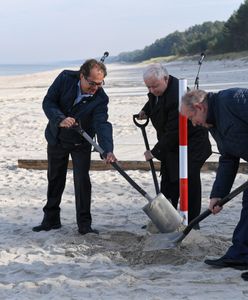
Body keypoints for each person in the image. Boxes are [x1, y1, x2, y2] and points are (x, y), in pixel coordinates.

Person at [33, 59, 116, 235]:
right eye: (91, 83)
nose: (95, 88)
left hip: (81, 142)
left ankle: (84, 225)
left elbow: (102, 124)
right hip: (57, 138)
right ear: (81, 76)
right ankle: (51, 220)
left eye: (99, 84)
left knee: (82, 182)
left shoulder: (101, 98)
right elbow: (48, 102)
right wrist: (60, 118)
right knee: (55, 178)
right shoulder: (64, 78)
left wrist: (107, 149)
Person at [181, 88, 248, 269]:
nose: (193, 124)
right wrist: (218, 195)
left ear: (199, 107)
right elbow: (228, 157)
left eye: (191, 118)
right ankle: (240, 255)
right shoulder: (213, 124)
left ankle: (240, 255)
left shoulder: (233, 100)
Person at [138, 63, 211, 225]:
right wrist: (146, 110)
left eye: (154, 86)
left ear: (166, 78)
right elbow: (154, 99)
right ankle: (166, 220)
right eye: (148, 87)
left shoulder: (178, 95)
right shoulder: (158, 88)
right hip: (172, 144)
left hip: (192, 144)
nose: (151, 90)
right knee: (168, 179)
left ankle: (192, 222)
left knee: (188, 180)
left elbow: (175, 130)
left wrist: (155, 151)